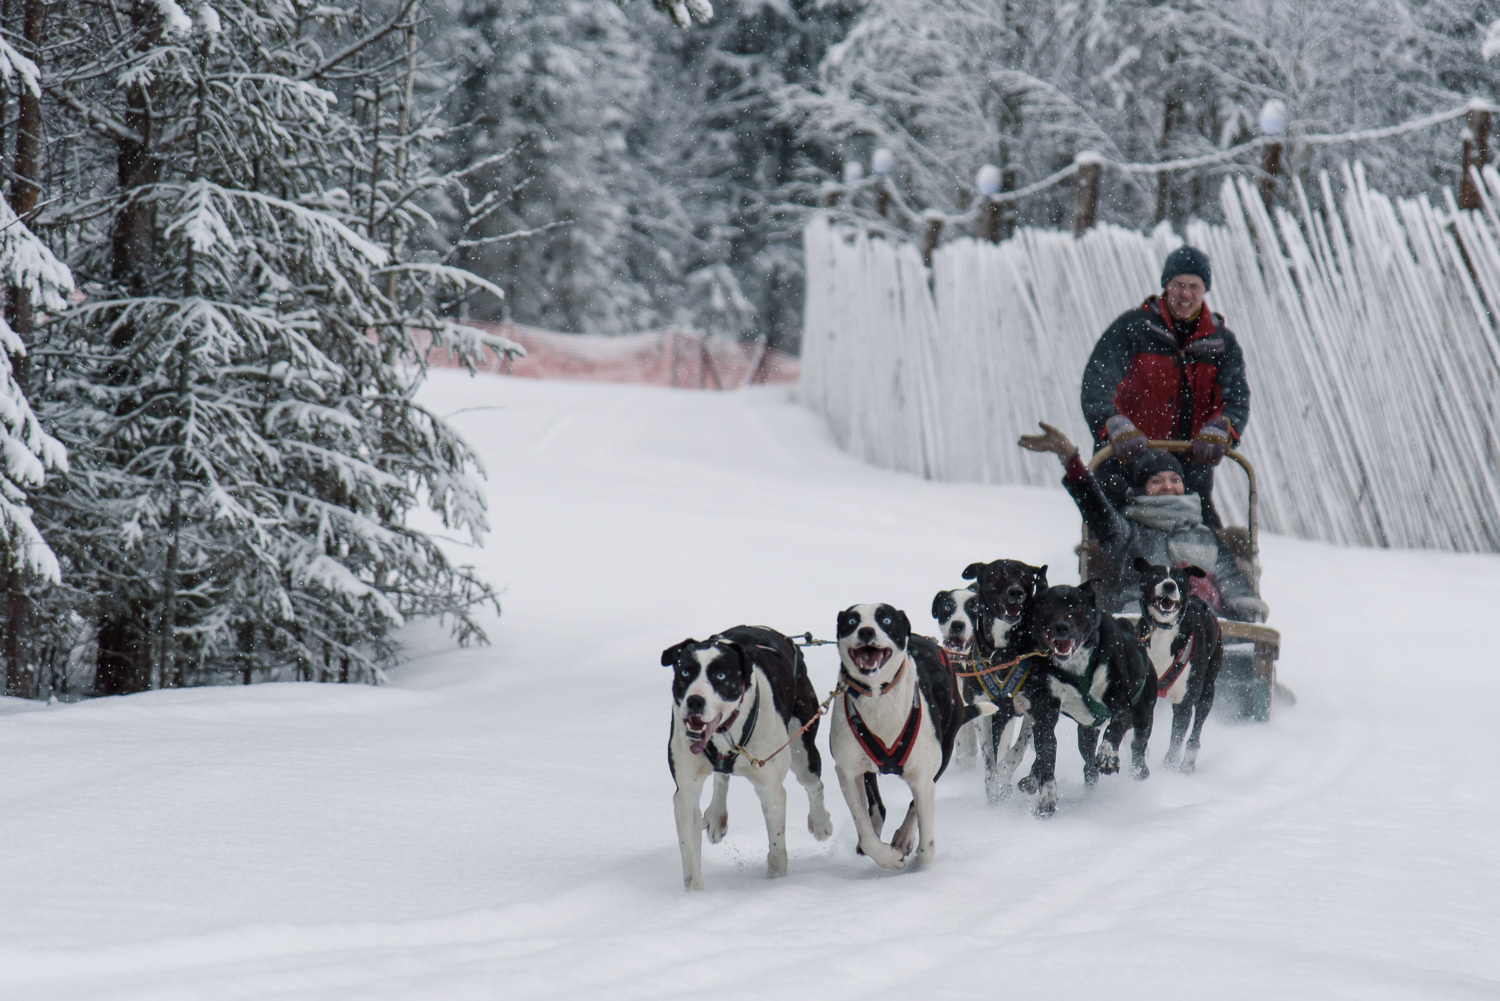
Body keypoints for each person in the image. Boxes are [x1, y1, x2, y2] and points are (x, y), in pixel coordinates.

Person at [1019, 422, 1268, 623]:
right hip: (1141, 622)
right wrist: (1071, 459)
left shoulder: (1205, 537)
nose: (1168, 486)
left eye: (1174, 479)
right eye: (1157, 481)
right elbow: (1097, 511)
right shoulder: (1129, 533)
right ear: (1142, 490)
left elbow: (1229, 578)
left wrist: (1243, 601)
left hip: (1201, 627)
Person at [1079, 245, 1249, 528]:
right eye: (1179, 284)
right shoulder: (1133, 329)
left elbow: (1237, 399)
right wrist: (1113, 424)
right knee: (1115, 544)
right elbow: (1097, 385)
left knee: (1209, 548)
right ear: (1165, 287)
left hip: (1190, 466)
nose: (1186, 293)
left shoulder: (1221, 343)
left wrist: (1223, 427)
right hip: (1126, 465)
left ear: (1205, 290)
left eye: (1194, 286)